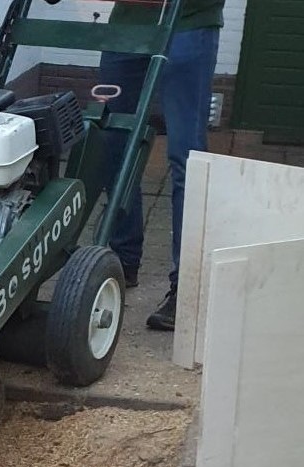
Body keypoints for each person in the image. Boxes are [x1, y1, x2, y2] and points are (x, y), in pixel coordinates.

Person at [99, 0, 225, 330]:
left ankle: (186, 285)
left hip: (189, 22)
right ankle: (122, 258)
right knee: (113, 142)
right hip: (129, 25)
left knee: (187, 156)